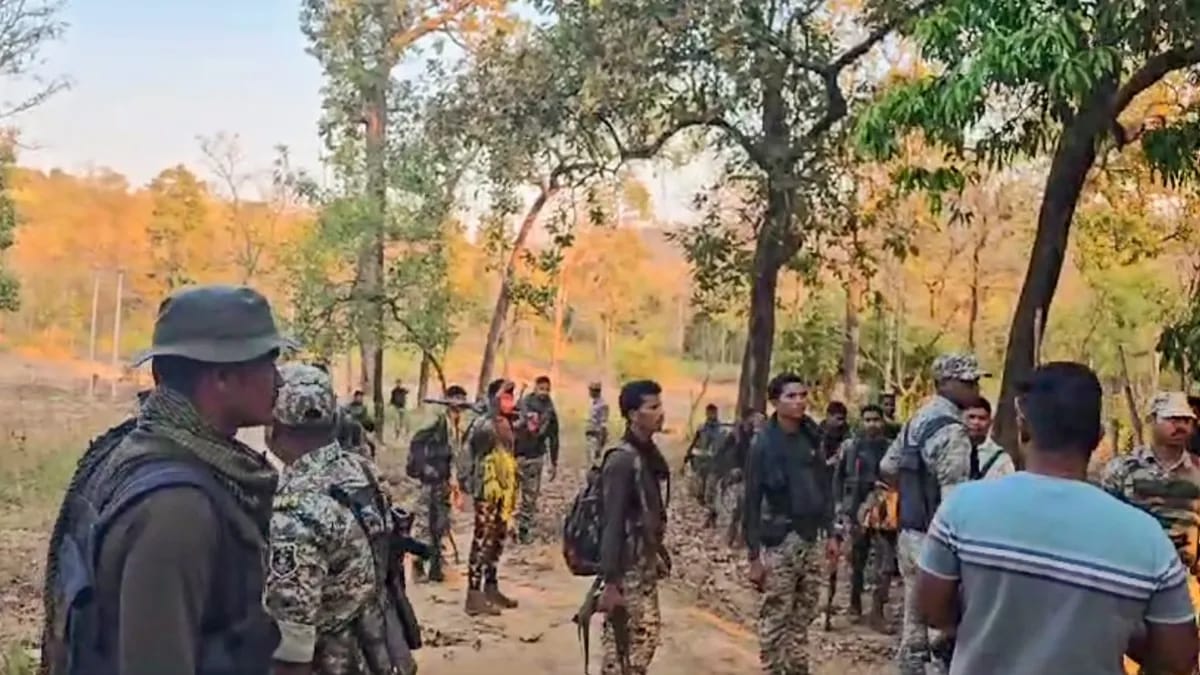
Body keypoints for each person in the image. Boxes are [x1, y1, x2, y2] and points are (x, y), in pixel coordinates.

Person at [40, 285, 291, 675]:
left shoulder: (136, 448)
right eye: (267, 363)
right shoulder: (178, 509)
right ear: (222, 377)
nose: (279, 380)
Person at [917, 363, 1199, 674]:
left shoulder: (962, 508)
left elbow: (932, 610)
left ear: (1024, 427)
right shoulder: (1148, 539)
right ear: (1098, 436)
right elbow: (1178, 659)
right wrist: (1116, 629)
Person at [265, 364, 416, 675]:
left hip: (333, 660)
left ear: (274, 425)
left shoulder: (295, 509)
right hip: (375, 649)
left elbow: (292, 638)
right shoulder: (361, 471)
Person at [880, 352, 980, 675]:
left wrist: (913, 491)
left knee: (913, 626)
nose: (975, 387)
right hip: (936, 543)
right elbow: (955, 504)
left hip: (908, 536)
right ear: (945, 383)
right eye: (968, 381)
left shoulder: (917, 420)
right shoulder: (953, 432)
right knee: (942, 634)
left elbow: (888, 467)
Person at [1101, 391, 1200, 675]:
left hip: (1183, 579)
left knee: (1179, 657)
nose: (1180, 426)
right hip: (1130, 576)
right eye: (1172, 419)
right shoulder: (1123, 469)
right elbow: (1105, 522)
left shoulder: (1197, 471)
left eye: (1186, 420)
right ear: (1152, 421)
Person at [744, 373, 828, 675]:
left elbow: (824, 486)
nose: (799, 402)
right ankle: (773, 668)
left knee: (804, 613)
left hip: (811, 537)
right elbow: (751, 501)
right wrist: (754, 556)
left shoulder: (811, 436)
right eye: (791, 396)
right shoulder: (763, 444)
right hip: (779, 539)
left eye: (803, 395)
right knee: (777, 614)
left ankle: (796, 668)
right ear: (775, 402)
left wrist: (832, 533)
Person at [596, 379, 671, 675]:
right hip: (625, 569)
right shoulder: (622, 460)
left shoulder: (647, 454)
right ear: (632, 414)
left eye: (660, 405)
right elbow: (611, 522)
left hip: (642, 564)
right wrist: (610, 582)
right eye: (652, 407)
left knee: (641, 641)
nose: (660, 412)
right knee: (624, 647)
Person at [831, 404, 895, 631]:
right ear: (861, 421)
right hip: (855, 510)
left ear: (883, 421)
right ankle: (854, 605)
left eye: (876, 419)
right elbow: (838, 479)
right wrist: (839, 507)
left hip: (884, 513)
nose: (872, 425)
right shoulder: (850, 447)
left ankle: (878, 612)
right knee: (856, 561)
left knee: (885, 565)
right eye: (867, 420)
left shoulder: (891, 449)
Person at [464, 378, 521, 615]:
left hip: (504, 489)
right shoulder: (483, 423)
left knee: (498, 537)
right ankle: (473, 595)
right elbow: (472, 449)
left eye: (511, 397)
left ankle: (491, 586)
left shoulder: (508, 423)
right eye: (505, 397)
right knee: (483, 539)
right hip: (486, 488)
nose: (510, 401)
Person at [408, 384, 471, 583]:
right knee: (424, 523)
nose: (459, 406)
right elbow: (416, 442)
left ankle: (436, 566)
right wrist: (423, 467)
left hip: (444, 480)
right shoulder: (437, 420)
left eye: (462, 401)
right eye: (456, 400)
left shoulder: (457, 425)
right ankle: (418, 565)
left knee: (441, 524)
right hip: (430, 480)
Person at [514, 375, 560, 544]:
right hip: (516, 455)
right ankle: (508, 526)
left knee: (530, 497)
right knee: (510, 495)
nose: (544, 393)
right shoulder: (522, 405)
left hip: (535, 457)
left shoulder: (550, 412)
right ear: (535, 388)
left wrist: (553, 462)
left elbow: (554, 438)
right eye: (541, 389)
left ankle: (523, 529)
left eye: (547, 389)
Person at [715, 407, 765, 548]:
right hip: (740, 474)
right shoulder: (737, 434)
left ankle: (743, 539)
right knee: (738, 507)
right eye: (754, 418)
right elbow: (725, 451)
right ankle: (731, 537)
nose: (756, 421)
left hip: (754, 475)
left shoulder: (759, 435)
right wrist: (730, 468)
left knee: (749, 509)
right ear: (747, 419)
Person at [684, 403, 726, 528]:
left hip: (715, 465)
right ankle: (710, 513)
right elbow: (694, 443)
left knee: (710, 492)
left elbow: (724, 448)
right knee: (699, 493)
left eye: (713, 412)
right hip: (701, 464)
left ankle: (711, 516)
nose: (711, 415)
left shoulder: (721, 430)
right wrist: (687, 457)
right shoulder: (701, 428)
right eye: (709, 412)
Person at [962, 397, 1015, 479]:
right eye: (971, 417)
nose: (976, 422)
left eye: (982, 418)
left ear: (990, 422)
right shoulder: (953, 449)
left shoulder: (1001, 459)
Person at [586, 380, 611, 468]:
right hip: (591, 436)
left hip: (596, 437)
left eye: (591, 390)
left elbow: (603, 425)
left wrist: (599, 445)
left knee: (595, 464)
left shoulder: (602, 405)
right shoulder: (593, 403)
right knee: (590, 462)